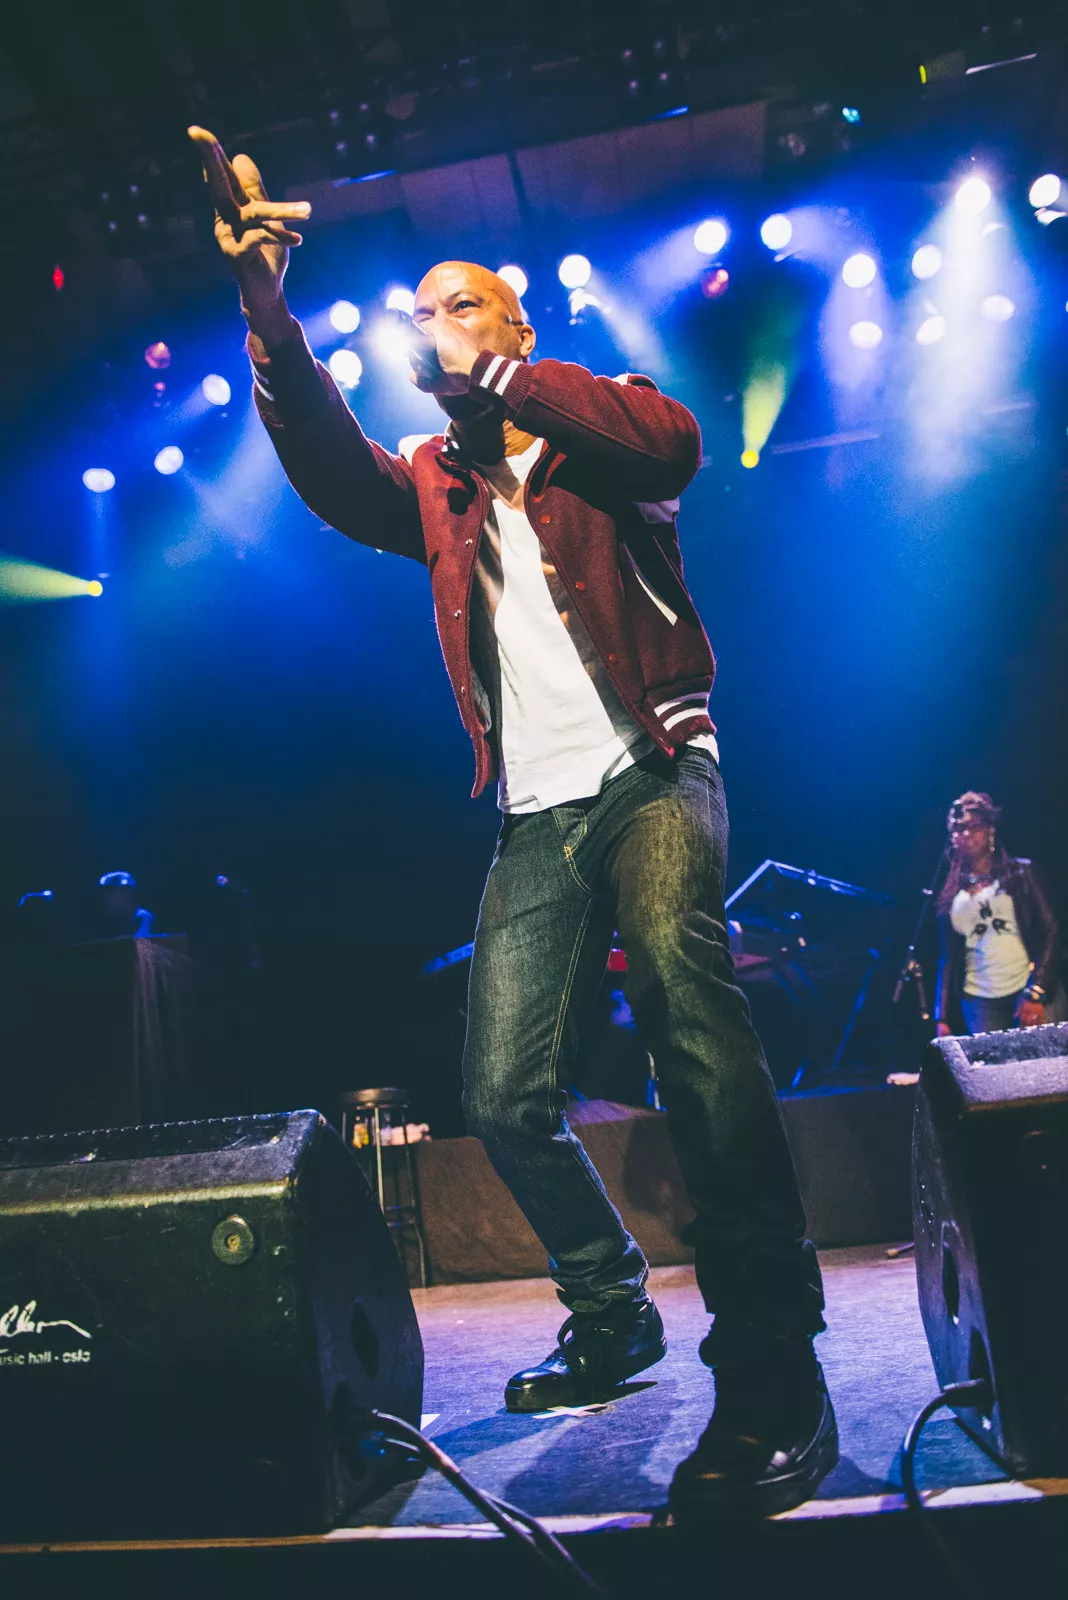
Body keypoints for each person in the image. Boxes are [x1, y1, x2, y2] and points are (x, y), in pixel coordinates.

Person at [188, 125, 837, 1519]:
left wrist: (498, 384)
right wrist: (266, 308)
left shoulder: (606, 424)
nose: (432, 324)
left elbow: (676, 441)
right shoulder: (434, 480)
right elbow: (326, 465)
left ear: (518, 326)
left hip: (654, 770)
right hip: (536, 813)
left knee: (687, 1011)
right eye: (420, 310)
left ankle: (776, 1368)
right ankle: (612, 1312)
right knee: (496, 1094)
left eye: (459, 304)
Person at [935, 793, 1060, 1037]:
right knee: (994, 1061)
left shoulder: (1021, 874)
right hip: (979, 1001)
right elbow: (947, 957)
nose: (966, 834)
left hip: (1028, 986)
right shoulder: (951, 894)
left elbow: (1051, 929)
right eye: (959, 829)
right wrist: (942, 1016)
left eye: (974, 827)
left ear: (989, 830)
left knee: (1045, 1056)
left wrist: (1037, 987)